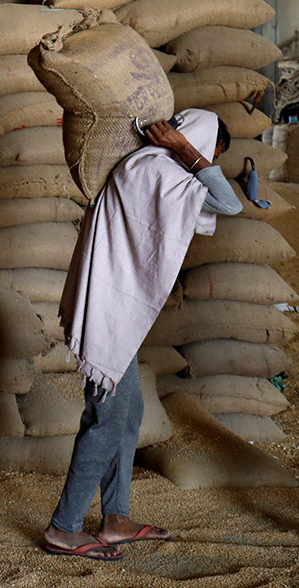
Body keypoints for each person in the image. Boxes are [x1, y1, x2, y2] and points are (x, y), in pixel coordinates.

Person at [43, 109, 241, 561]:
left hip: (117, 314)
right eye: (212, 153)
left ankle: (115, 518)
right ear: (196, 141)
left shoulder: (163, 176)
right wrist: (185, 151)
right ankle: (63, 528)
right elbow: (227, 204)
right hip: (108, 313)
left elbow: (220, 198)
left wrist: (183, 155)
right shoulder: (151, 170)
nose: (209, 164)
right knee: (107, 419)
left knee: (127, 413)